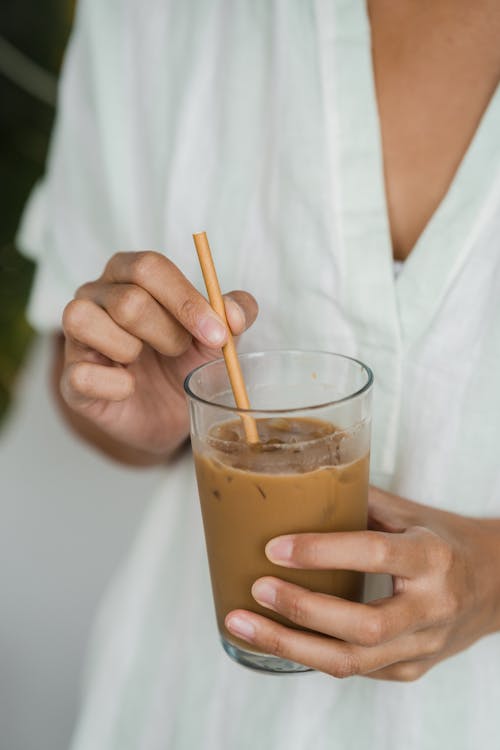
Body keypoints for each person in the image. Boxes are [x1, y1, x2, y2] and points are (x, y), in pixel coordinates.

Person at [17, 0, 500, 747]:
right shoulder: (153, 16)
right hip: (196, 709)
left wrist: (493, 579)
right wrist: (139, 411)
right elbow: (79, 377)